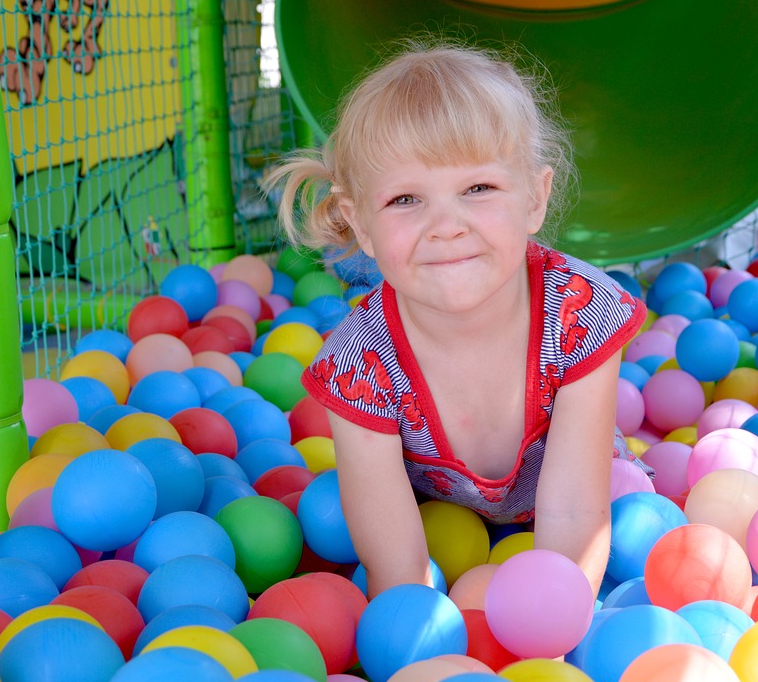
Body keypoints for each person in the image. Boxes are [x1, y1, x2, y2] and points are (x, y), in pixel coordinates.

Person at [263, 41, 648, 599]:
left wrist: (553, 618)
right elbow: (396, 559)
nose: (447, 224)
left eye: (478, 188)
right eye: (405, 200)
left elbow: (574, 511)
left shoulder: (581, 312)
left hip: (581, 504)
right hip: (444, 521)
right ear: (361, 224)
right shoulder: (358, 366)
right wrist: (418, 636)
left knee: (634, 510)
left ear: (534, 199)